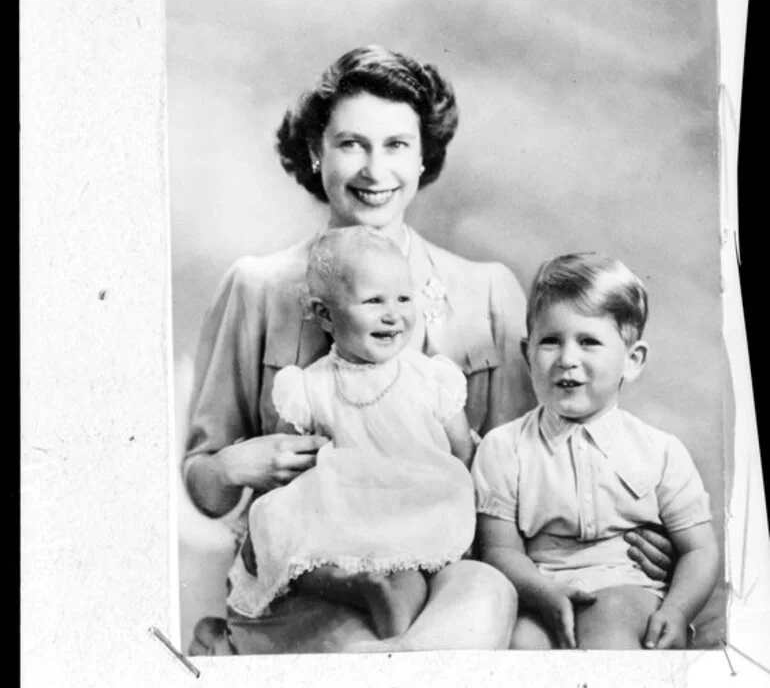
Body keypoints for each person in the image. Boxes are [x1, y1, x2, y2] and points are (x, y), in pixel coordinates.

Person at [182, 45, 673, 655]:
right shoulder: (258, 287)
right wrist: (233, 465)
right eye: (350, 143)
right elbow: (205, 488)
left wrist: (631, 534)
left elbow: (531, 468)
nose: (373, 169)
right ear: (315, 151)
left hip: (448, 571)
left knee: (485, 595)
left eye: (396, 145)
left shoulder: (486, 290)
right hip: (311, 581)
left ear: (422, 159)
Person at [228, 227, 477, 642]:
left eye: (403, 298)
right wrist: (272, 520)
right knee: (293, 557)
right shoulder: (308, 386)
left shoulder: (429, 377)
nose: (393, 314)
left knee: (406, 569)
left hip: (408, 507)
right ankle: (353, 586)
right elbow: (289, 459)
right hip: (340, 509)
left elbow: (463, 448)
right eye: (374, 300)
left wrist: (453, 509)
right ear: (325, 315)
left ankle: (391, 612)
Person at [472, 252, 719, 650]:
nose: (568, 359)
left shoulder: (660, 451)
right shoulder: (504, 449)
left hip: (628, 587)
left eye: (589, 342)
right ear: (527, 353)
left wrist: (677, 611)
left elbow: (699, 549)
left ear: (632, 361)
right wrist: (543, 592)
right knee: (520, 648)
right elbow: (499, 549)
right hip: (540, 588)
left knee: (609, 627)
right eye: (550, 341)